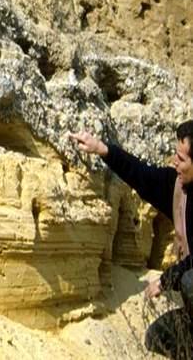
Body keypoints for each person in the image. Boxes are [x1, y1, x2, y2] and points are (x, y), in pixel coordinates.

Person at [71, 120, 193, 359]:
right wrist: (102, 149)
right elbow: (141, 175)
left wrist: (165, 280)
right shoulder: (178, 186)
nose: (174, 161)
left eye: (181, 158)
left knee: (190, 281)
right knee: (159, 336)